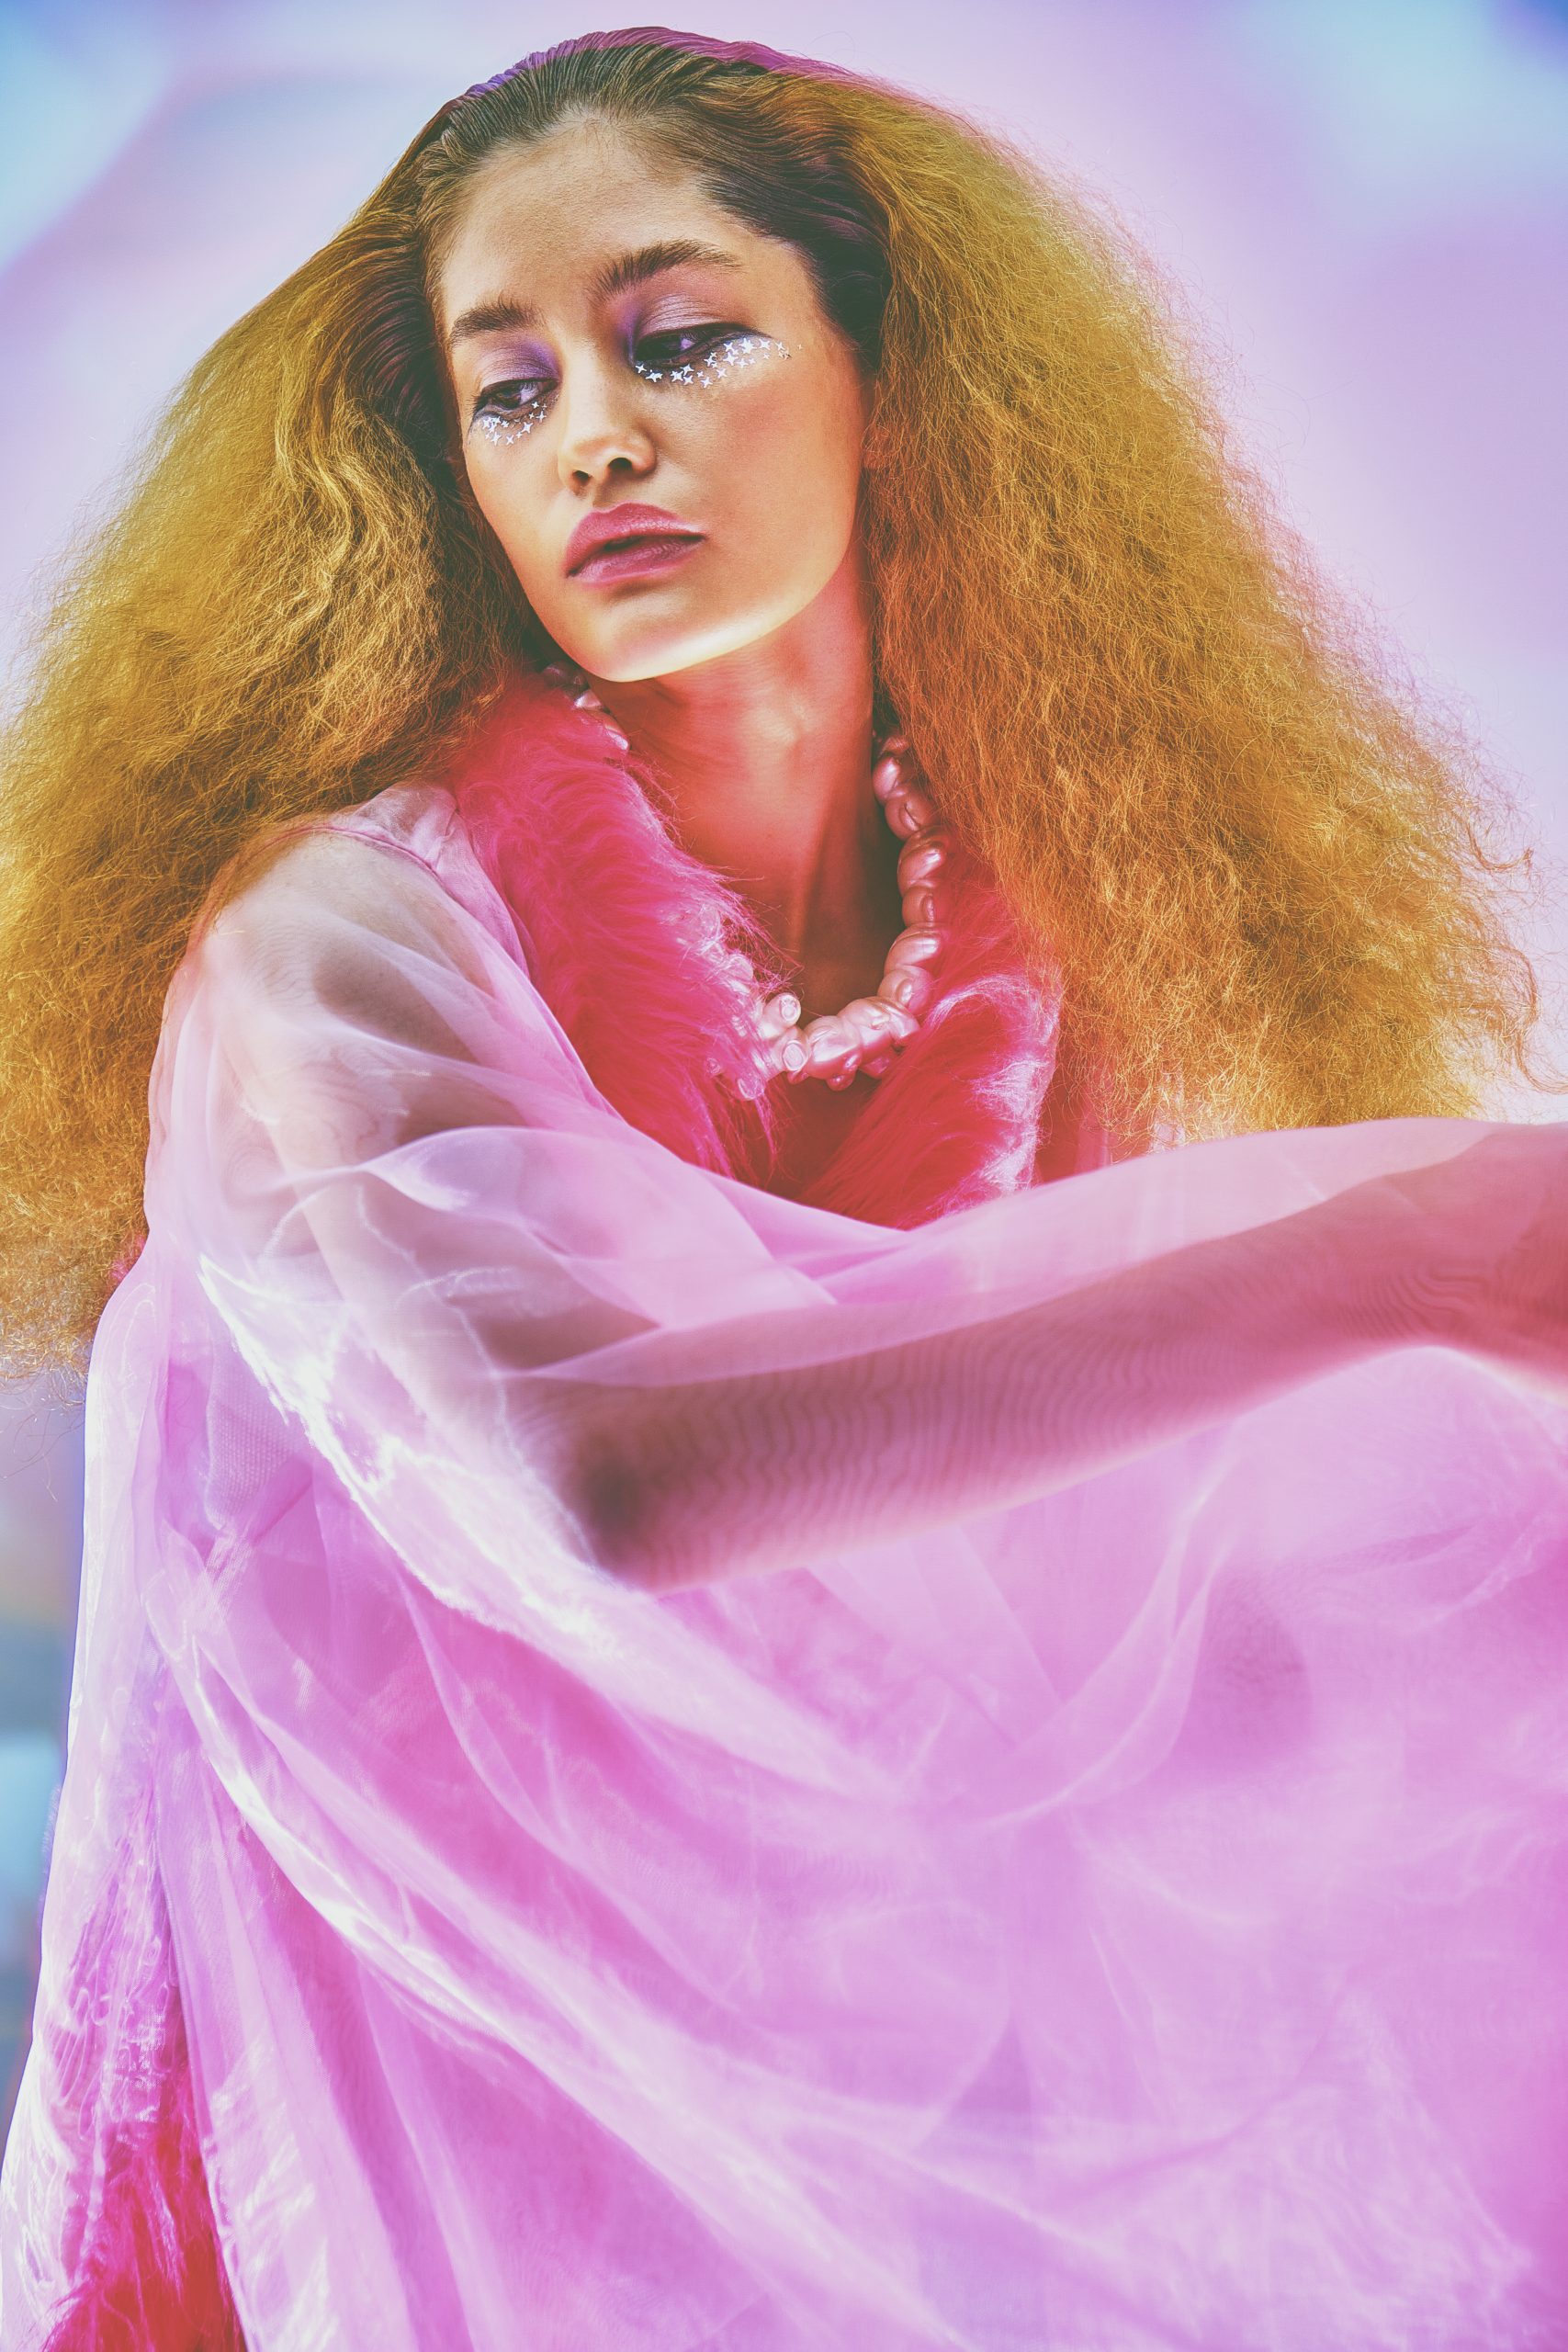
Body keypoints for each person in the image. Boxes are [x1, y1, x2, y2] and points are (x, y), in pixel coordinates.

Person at [2, 27, 1566, 2349]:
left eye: (678, 336)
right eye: (504, 387)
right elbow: (595, 1475)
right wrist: (1412, 1252)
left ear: (892, 380)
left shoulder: (1044, 926)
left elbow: (1089, 1566)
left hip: (840, 2048)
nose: (591, 436)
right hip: (384, 2068)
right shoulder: (340, 933)